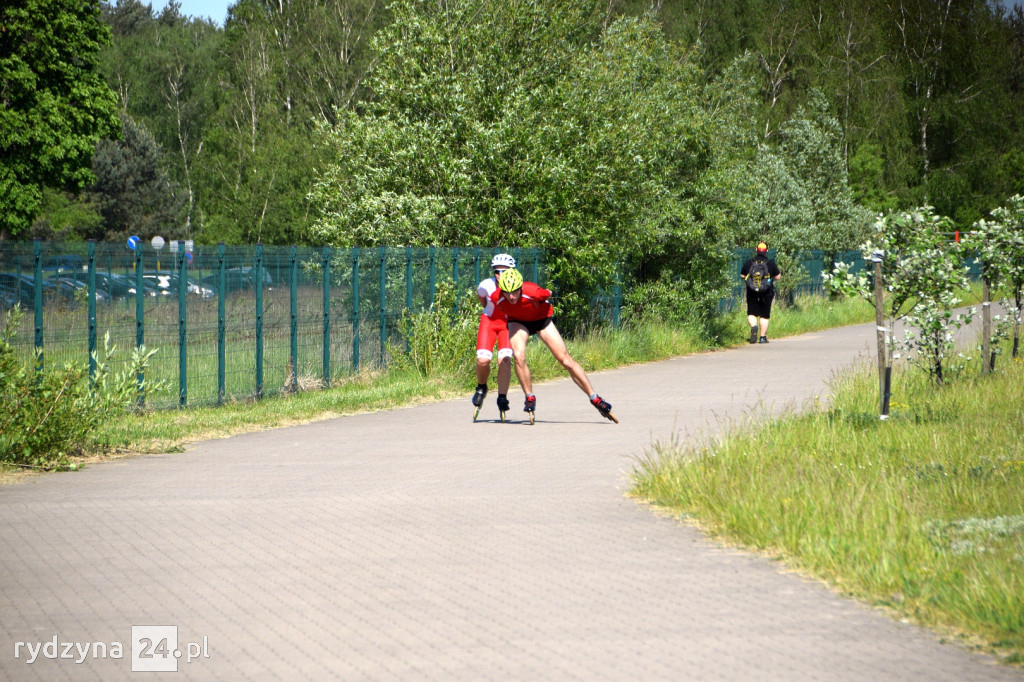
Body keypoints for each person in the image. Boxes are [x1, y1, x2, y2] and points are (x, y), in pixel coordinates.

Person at [490, 268, 616, 422]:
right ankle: (529, 397)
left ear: (521, 287)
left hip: (541, 320)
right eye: (507, 292)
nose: (511, 296)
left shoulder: (534, 291)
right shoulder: (497, 297)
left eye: (515, 291)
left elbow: (548, 293)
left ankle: (595, 398)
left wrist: (546, 297)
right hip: (518, 322)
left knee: (565, 360)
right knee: (518, 355)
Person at [472, 253, 516, 416]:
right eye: (497, 271)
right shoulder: (486, 285)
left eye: (504, 272)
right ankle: (481, 386)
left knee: (504, 360)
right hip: (489, 321)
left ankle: (502, 397)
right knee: (483, 360)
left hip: (507, 324)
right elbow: (482, 299)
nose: (500, 275)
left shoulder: (519, 285)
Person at [740, 242, 782, 344]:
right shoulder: (770, 263)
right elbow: (778, 277)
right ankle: (762, 337)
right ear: (766, 251)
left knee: (751, 313)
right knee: (764, 315)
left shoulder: (749, 262)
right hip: (766, 292)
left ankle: (754, 327)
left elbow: (742, 275)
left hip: (752, 291)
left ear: (756, 250)